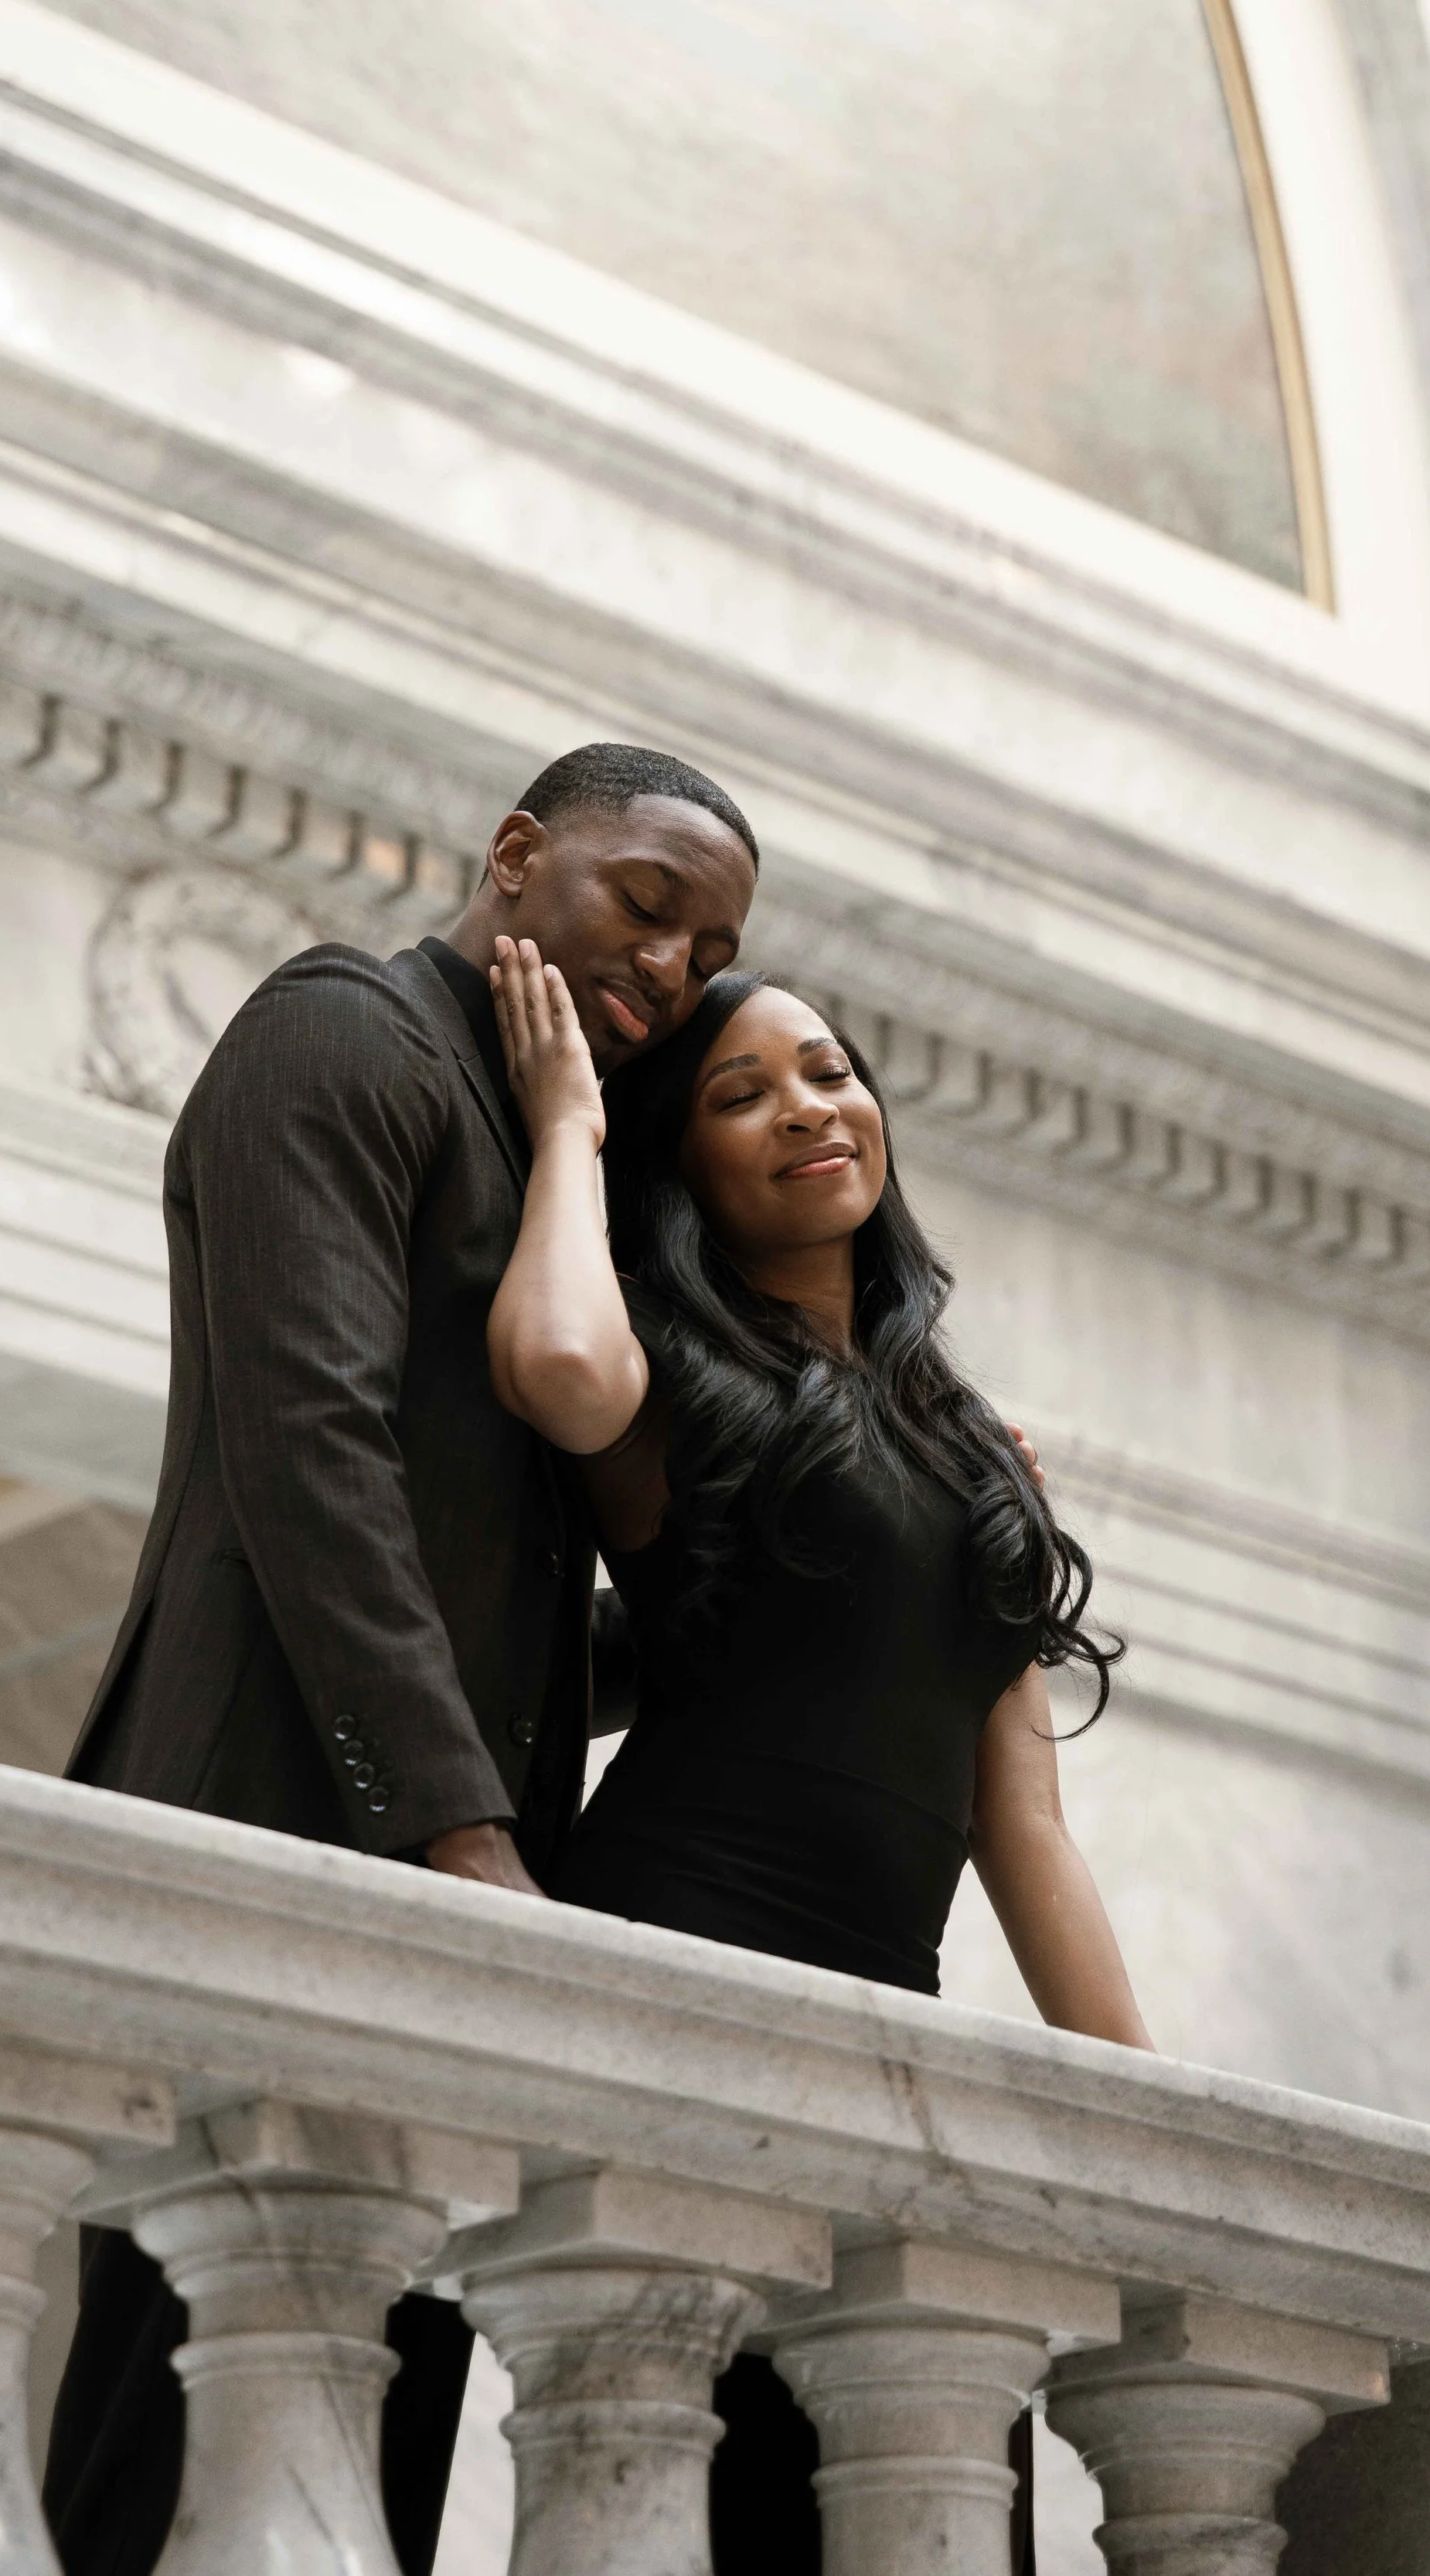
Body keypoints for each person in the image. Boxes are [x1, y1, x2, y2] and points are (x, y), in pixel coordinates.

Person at [43, 745, 760, 2576]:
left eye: (711, 946)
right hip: (265, 1824)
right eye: (645, 904)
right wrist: (462, 1836)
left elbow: (516, 1586)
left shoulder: (555, 1147)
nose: (673, 967)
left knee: (373, 2490)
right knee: (178, 2471)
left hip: (462, 1916)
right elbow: (309, 1452)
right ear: (517, 859)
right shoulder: (338, 1037)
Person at [486, 942, 1151, 2573]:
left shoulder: (976, 1448)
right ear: (682, 1163)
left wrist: (1154, 2127)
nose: (807, 1107)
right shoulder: (680, 1384)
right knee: (692, 2492)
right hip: (672, 1962)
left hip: (891, 2017)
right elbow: (559, 1368)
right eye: (739, 1094)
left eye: (829, 1069)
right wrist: (570, 1127)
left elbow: (1023, 1825)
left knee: (918, 2490)